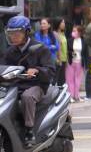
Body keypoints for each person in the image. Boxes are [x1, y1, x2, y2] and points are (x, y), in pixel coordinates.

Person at [2, 15, 55, 146]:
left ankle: (29, 132)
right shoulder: (9, 52)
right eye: (10, 33)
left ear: (26, 33)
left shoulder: (40, 48)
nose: (13, 37)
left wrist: (37, 70)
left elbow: (51, 71)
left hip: (35, 86)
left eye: (17, 33)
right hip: (14, 85)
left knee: (27, 97)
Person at [66, 25, 86, 103]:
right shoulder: (69, 40)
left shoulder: (83, 41)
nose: (73, 32)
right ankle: (71, 96)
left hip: (80, 61)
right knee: (70, 79)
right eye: (73, 31)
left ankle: (77, 95)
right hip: (71, 62)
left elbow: (85, 52)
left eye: (75, 31)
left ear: (79, 32)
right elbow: (68, 50)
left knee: (78, 79)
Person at [53, 19, 69, 86]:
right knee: (56, 79)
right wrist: (58, 59)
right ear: (58, 23)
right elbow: (57, 48)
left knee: (62, 80)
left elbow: (65, 47)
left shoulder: (63, 34)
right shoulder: (55, 34)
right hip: (58, 60)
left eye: (64, 22)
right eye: (62, 22)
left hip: (64, 59)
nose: (64, 24)